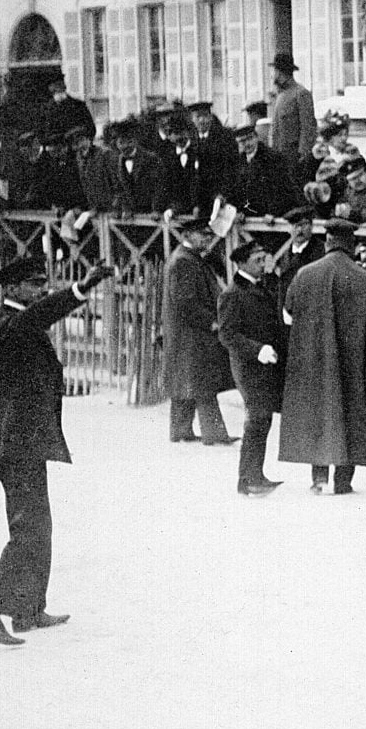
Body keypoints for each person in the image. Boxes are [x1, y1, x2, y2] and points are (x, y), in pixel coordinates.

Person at [0, 256, 115, 646]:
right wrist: (82, 288)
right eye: (34, 283)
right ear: (12, 288)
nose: (41, 289)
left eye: (42, 282)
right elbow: (38, 316)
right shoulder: (7, 322)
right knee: (28, 529)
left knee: (39, 526)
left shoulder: (19, 321)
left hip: (23, 440)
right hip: (10, 442)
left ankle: (28, 610)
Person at [279, 218, 366, 494]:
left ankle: (319, 478)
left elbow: (288, 312)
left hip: (312, 359)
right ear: (352, 244)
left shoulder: (304, 274)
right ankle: (343, 481)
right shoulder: (364, 278)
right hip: (353, 361)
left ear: (327, 241)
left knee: (318, 413)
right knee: (350, 415)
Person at [217, 239, 286, 496]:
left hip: (265, 365)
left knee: (262, 420)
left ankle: (255, 475)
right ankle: (247, 479)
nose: (262, 264)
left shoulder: (261, 286)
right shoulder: (232, 294)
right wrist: (257, 350)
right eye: (257, 261)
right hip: (249, 368)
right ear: (242, 263)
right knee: (257, 420)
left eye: (263, 259)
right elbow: (227, 335)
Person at [162, 219, 236, 445]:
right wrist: (210, 322)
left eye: (208, 235)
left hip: (184, 333)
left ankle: (180, 430)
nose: (207, 238)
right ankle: (214, 434)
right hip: (192, 333)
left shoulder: (185, 257)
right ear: (188, 235)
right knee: (203, 384)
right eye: (202, 234)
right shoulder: (184, 261)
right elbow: (185, 302)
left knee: (186, 381)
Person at [230, 122, 300, 218]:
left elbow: (282, 188)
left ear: (256, 137)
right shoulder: (238, 162)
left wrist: (273, 213)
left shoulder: (273, 158)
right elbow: (236, 191)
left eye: (250, 138)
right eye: (242, 141)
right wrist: (238, 211)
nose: (247, 144)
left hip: (269, 217)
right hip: (248, 217)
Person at [269, 53, 318, 168]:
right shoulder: (280, 95)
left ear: (280, 72)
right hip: (279, 158)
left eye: (274, 71)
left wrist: (303, 156)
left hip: (294, 158)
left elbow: (308, 128)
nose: (272, 75)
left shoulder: (301, 93)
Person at [114, 121, 170, 214]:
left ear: (135, 141)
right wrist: (125, 208)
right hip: (132, 214)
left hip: (151, 213)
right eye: (121, 142)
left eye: (129, 142)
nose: (124, 146)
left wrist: (156, 209)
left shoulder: (151, 158)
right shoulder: (118, 161)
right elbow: (120, 189)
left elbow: (159, 187)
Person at [36, 74, 97, 145]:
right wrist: (62, 136)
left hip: (76, 147)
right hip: (55, 149)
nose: (59, 88)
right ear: (50, 88)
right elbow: (40, 136)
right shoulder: (45, 109)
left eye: (61, 84)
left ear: (65, 86)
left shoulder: (78, 105)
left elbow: (91, 129)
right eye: (55, 86)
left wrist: (77, 132)